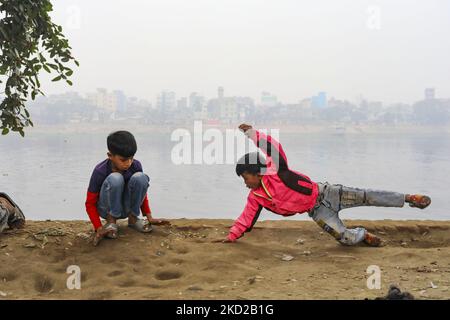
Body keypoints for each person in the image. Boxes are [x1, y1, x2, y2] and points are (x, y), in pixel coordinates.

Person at [213, 124, 431, 246]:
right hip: (316, 211)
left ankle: (408, 198)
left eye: (245, 178)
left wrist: (252, 134)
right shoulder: (256, 198)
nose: (245, 183)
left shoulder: (277, 171)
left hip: (328, 193)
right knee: (344, 238)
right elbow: (246, 219)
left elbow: (273, 147)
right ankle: (363, 235)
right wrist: (231, 236)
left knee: (367, 196)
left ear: (256, 172)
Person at [85, 130, 169, 246]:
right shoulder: (100, 171)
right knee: (115, 178)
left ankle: (133, 219)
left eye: (131, 158)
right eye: (123, 160)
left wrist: (149, 216)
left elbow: (141, 192)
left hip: (126, 208)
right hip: (107, 209)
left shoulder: (136, 165)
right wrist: (98, 228)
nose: (128, 163)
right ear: (110, 156)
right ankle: (111, 222)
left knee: (141, 178)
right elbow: (90, 203)